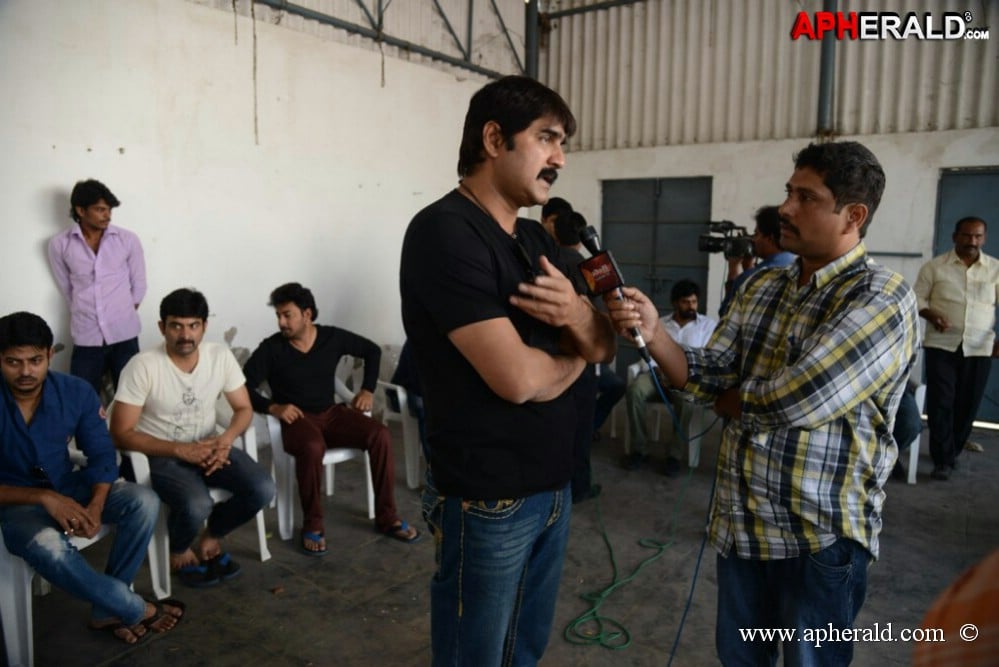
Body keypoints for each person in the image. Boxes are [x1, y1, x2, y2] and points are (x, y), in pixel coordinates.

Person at [606, 141, 919, 665]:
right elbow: (708, 370)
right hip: (742, 528)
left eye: (807, 197)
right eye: (788, 193)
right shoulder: (761, 286)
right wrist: (657, 334)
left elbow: (800, 398)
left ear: (854, 215)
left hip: (817, 539)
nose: (786, 209)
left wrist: (727, 395)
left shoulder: (882, 297)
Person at [400, 75, 616, 665]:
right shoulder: (444, 232)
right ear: (494, 139)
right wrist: (579, 343)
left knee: (524, 650)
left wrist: (577, 315)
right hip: (488, 497)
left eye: (562, 142)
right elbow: (517, 379)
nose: (560, 158)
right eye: (546, 138)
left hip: (552, 488)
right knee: (476, 655)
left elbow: (607, 342)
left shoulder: (532, 238)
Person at [0, 311, 183, 644]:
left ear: (49, 355)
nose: (26, 371)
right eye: (13, 362)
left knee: (142, 501)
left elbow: (100, 453)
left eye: (35, 360)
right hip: (15, 504)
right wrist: (43, 498)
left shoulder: (75, 391)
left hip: (69, 485)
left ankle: (104, 611)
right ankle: (132, 608)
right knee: (49, 547)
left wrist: (97, 503)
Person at [110, 288, 274, 588]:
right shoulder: (143, 365)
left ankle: (211, 535)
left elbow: (243, 409)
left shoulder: (219, 356)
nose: (185, 335)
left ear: (204, 327)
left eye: (193, 325)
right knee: (197, 503)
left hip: (211, 445)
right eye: (176, 326)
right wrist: (179, 450)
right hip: (157, 456)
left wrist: (225, 440)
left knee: (262, 488)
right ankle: (179, 547)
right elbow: (120, 433)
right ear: (162, 327)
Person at [242, 282, 419, 556]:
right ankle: (313, 524)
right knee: (312, 446)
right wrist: (272, 407)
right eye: (278, 316)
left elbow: (372, 351)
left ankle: (387, 517)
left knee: (380, 435)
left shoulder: (331, 337)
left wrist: (367, 389)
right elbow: (242, 387)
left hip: (331, 414)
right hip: (297, 420)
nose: (281, 322)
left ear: (307, 314)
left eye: (287, 315)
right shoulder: (272, 348)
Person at [913, 217, 998, 480]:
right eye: (967, 236)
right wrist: (931, 313)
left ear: (984, 238)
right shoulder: (934, 267)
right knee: (942, 403)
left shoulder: (994, 269)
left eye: (978, 236)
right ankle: (942, 460)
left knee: (968, 404)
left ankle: (952, 452)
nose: (972, 241)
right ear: (955, 236)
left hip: (980, 347)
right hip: (942, 345)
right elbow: (916, 297)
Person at [48, 179, 146, 399]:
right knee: (82, 396)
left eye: (109, 210)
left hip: (124, 334)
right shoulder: (59, 244)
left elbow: (139, 284)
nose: (107, 215)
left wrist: (122, 312)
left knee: (131, 395)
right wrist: (86, 311)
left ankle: (125, 434)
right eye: (101, 209)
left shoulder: (127, 240)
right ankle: (89, 434)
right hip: (86, 335)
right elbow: (67, 287)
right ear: (80, 210)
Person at [622, 279, 715, 475]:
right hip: (657, 374)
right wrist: (653, 368)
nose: (691, 306)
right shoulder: (660, 323)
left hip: (684, 380)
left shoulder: (707, 326)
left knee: (687, 401)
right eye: (685, 302)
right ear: (675, 303)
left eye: (694, 302)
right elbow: (648, 351)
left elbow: (708, 358)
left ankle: (674, 454)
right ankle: (640, 449)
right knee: (635, 391)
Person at [718, 205, 796, 317]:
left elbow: (726, 315)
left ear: (770, 238)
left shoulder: (749, 278)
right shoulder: (803, 268)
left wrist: (733, 268)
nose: (753, 240)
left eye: (756, 234)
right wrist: (749, 267)